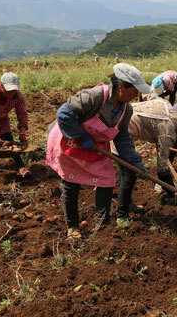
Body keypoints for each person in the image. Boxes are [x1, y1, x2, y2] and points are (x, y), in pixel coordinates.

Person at [46, 63, 150, 239]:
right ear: (121, 87)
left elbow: (122, 136)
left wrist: (134, 160)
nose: (137, 95)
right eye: (135, 90)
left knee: (106, 181)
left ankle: (102, 227)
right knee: (71, 184)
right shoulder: (94, 97)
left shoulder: (126, 109)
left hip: (96, 146)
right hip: (70, 142)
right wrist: (81, 136)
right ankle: (73, 227)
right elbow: (64, 114)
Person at [121, 95, 177, 221]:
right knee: (129, 172)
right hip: (120, 130)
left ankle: (127, 203)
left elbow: (146, 93)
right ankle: (122, 215)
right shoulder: (168, 131)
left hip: (120, 115)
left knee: (129, 171)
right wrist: (172, 193)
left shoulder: (166, 104)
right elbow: (162, 168)